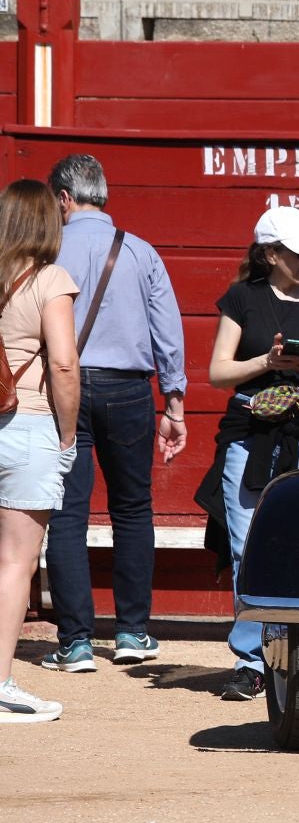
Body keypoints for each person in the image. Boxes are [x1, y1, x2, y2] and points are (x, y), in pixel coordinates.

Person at [194, 201, 299, 702]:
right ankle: (251, 657)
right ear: (270, 254)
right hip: (251, 428)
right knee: (247, 543)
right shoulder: (242, 297)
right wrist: (268, 360)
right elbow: (219, 372)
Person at [38, 154, 188, 674]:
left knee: (67, 513)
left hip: (63, 388)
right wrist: (175, 401)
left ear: (63, 197)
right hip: (128, 390)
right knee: (132, 511)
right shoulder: (141, 251)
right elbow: (167, 331)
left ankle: (75, 642)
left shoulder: (47, 248)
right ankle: (132, 632)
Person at [0, 181, 80, 723]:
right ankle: (0, 683)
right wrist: (68, 437)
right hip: (26, 424)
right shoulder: (49, 279)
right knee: (16, 560)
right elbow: (65, 365)